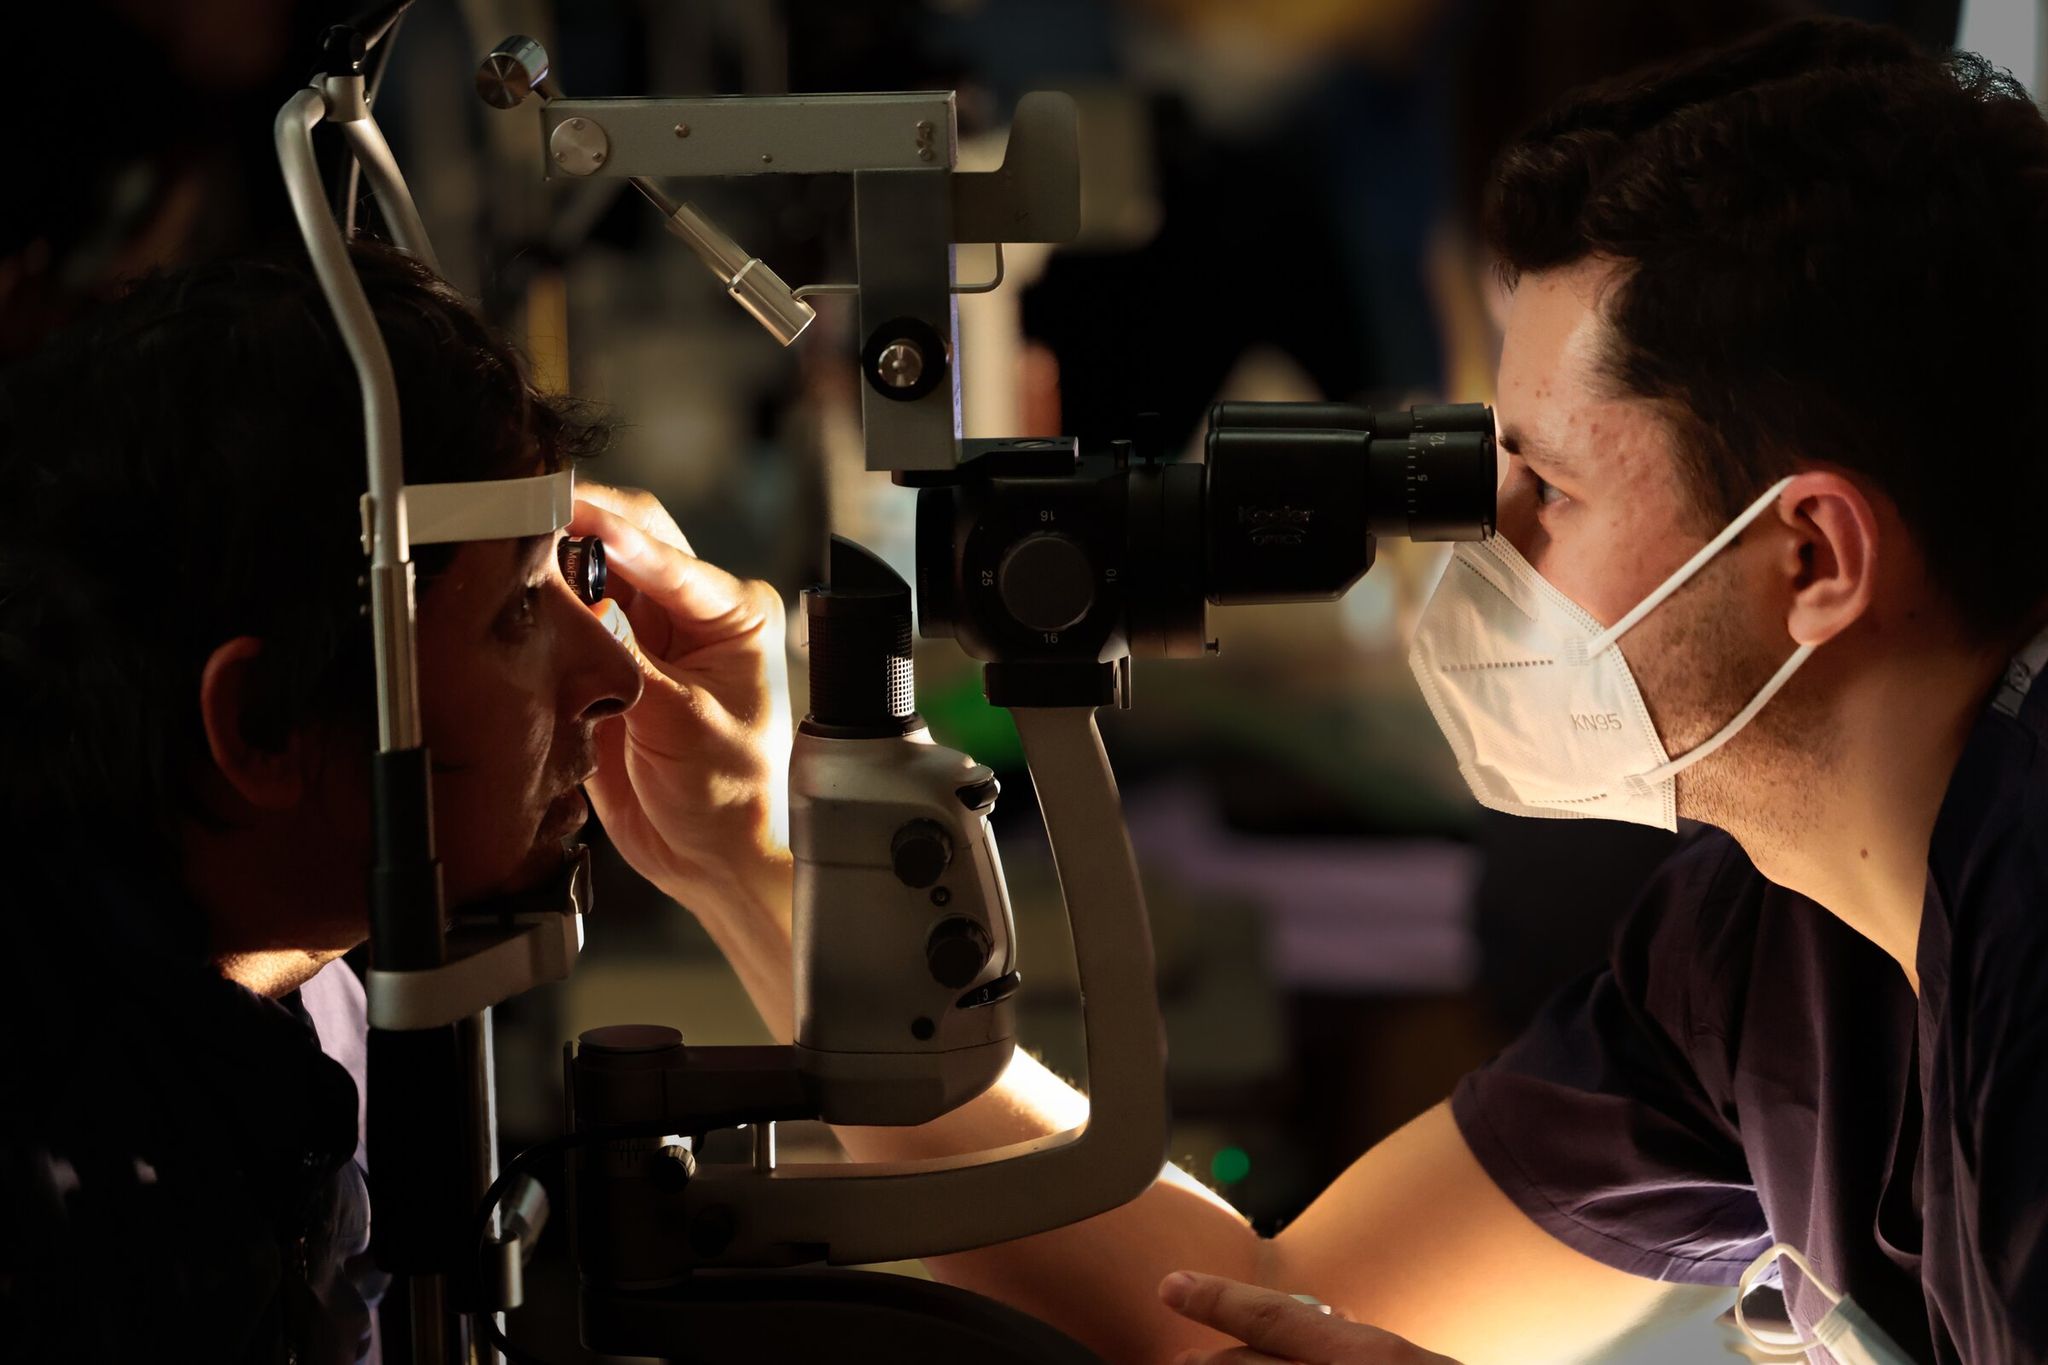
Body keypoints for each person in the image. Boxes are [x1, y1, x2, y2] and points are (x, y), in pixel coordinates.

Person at [577, 17, 2048, 1365]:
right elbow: (1261, 1321)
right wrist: (760, 869)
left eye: (1548, 482)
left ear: (1812, 556)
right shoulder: (1767, 955)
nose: (1489, 535)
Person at [0, 246, 781, 1362]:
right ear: (267, 724)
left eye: (580, 577)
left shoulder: (315, 1008)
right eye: (518, 608)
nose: (615, 678)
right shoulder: (55, 1213)